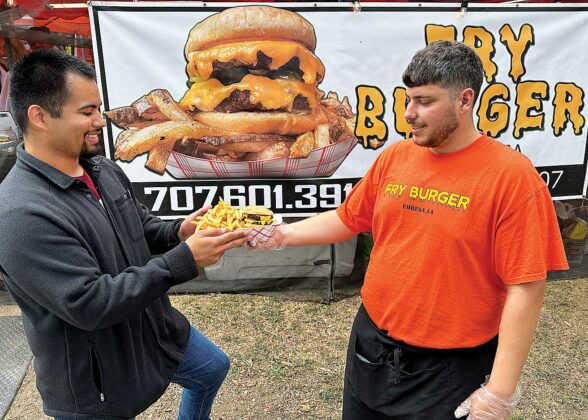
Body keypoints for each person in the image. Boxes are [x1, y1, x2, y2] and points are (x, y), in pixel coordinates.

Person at [255, 41, 569, 419]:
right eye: (408, 101)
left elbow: (526, 286)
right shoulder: (395, 157)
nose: (410, 114)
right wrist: (283, 234)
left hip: (450, 367)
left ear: (464, 100)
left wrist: (499, 391)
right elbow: (348, 218)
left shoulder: (512, 178)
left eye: (424, 102)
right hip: (371, 345)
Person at [0, 49, 249, 419]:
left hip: (152, 328)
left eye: (98, 110)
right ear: (39, 117)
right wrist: (185, 259)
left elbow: (139, 225)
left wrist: (180, 230)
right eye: (86, 112)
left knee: (211, 368)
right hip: (96, 375)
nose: (101, 121)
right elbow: (89, 304)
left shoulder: (101, 169)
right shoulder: (19, 214)